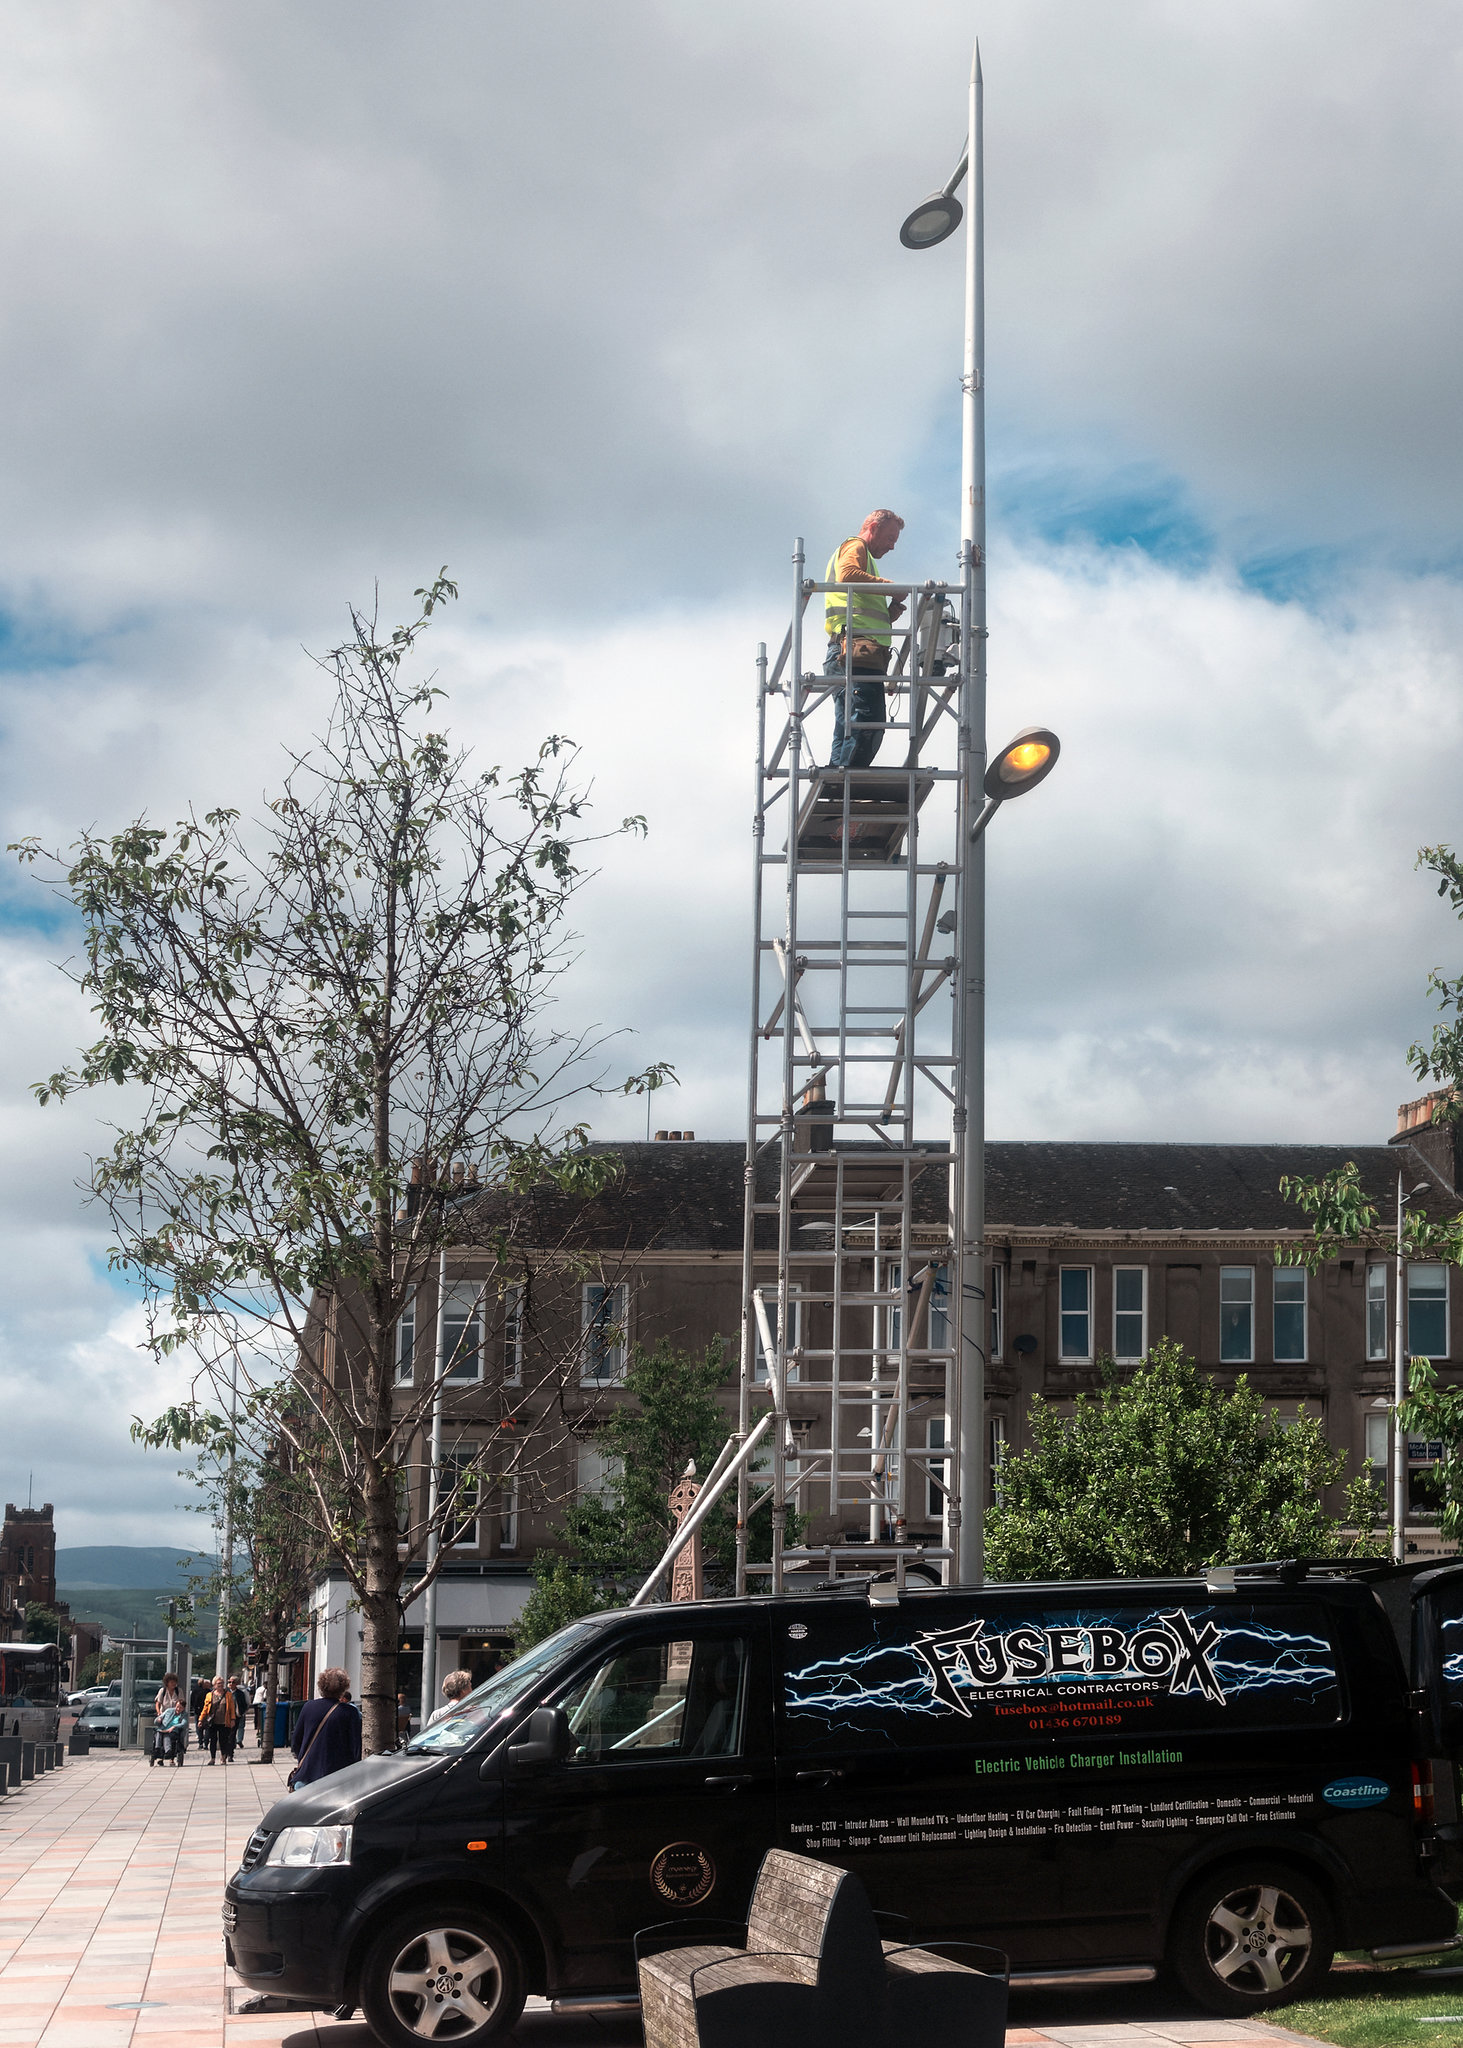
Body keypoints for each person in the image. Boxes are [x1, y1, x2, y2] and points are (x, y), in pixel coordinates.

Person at [823, 509, 905, 771]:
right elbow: (847, 575)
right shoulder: (855, 545)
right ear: (873, 527)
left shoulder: (863, 557)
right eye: (890, 538)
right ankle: (847, 776)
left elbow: (859, 607)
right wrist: (889, 586)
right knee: (868, 720)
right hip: (856, 650)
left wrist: (888, 614)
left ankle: (838, 774)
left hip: (851, 648)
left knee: (849, 723)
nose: (892, 546)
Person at [289, 1668, 362, 1788]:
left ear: (321, 1686)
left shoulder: (308, 1707)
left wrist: (305, 1760)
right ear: (344, 1688)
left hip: (307, 1776)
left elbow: (296, 1741)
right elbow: (356, 1748)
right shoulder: (349, 1712)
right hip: (337, 1779)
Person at [198, 1672, 240, 1764]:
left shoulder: (228, 1695)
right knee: (212, 1740)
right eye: (218, 1683)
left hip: (224, 1721)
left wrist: (233, 1719)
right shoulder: (209, 1695)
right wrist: (201, 1719)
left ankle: (223, 1757)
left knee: (223, 1740)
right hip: (212, 1721)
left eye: (221, 1683)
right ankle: (212, 1758)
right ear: (214, 1685)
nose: (220, 1685)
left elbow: (232, 1708)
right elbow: (205, 1708)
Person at [152, 1672, 187, 1768]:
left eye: (175, 1682)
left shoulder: (178, 1691)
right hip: (165, 1717)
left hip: (176, 1716)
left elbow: (182, 1703)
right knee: (161, 1733)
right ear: (167, 1683)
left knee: (173, 1736)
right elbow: (158, 1703)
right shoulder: (162, 1691)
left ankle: (172, 1757)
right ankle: (159, 1756)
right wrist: (159, 1713)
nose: (173, 1684)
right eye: (171, 1682)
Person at [231, 1675, 251, 1745]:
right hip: (240, 1711)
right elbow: (248, 1701)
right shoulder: (244, 1690)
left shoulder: (231, 1691)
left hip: (234, 1712)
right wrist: (245, 1710)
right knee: (241, 1726)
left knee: (233, 1727)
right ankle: (239, 1739)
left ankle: (235, 1740)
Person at [253, 1677, 268, 1742]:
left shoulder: (259, 1688)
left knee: (256, 1715)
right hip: (260, 1703)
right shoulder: (264, 1689)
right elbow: (265, 1697)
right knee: (259, 1716)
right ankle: (258, 1726)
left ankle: (256, 1725)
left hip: (255, 1702)